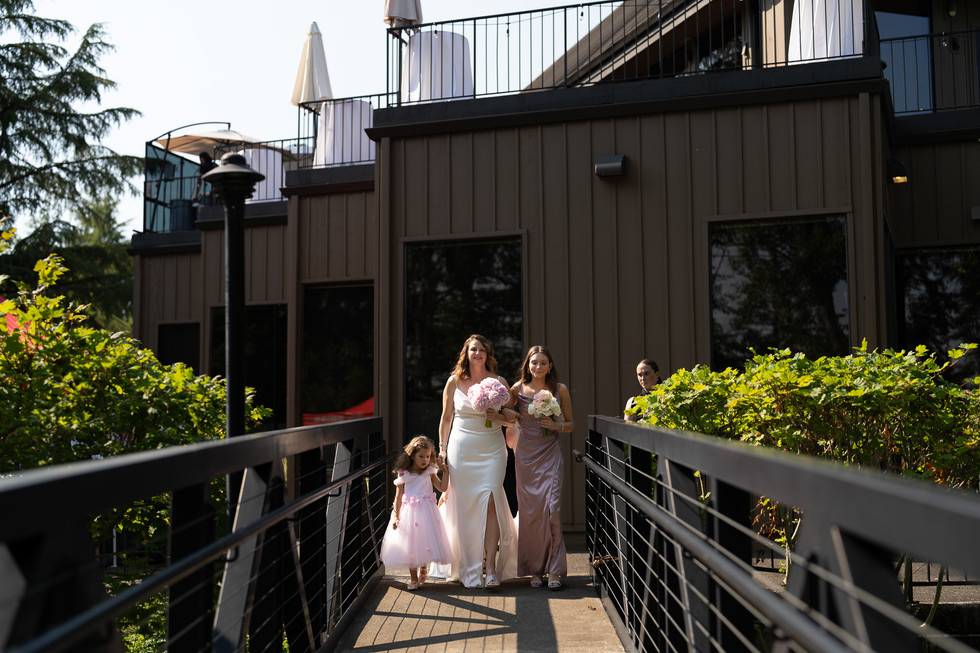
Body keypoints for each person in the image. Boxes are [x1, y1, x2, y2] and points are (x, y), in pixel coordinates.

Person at [436, 334, 519, 589]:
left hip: (492, 448)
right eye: (473, 349)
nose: (477, 354)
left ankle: (491, 569)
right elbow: (447, 417)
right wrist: (442, 449)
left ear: (488, 354)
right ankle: (469, 567)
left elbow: (512, 419)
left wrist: (497, 415)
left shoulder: (499, 381)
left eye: (482, 350)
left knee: (492, 501)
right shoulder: (453, 382)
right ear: (466, 354)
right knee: (465, 506)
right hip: (462, 449)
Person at [509, 345, 574, 590]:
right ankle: (535, 569)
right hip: (525, 456)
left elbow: (570, 424)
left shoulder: (560, 389)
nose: (537, 367)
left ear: (550, 366)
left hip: (550, 455)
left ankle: (555, 569)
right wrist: (509, 416)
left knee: (553, 511)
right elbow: (505, 410)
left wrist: (556, 425)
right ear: (527, 365)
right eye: (533, 362)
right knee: (531, 516)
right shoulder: (517, 388)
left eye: (542, 363)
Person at [378, 435, 452, 591]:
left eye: (427, 456)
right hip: (409, 514)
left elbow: (443, 488)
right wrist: (397, 516)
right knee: (411, 545)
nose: (425, 460)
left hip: (427, 512)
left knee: (424, 541)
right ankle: (413, 578)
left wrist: (445, 472)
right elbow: (398, 497)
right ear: (412, 455)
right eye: (421, 456)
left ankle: (423, 566)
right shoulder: (404, 474)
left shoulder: (430, 472)